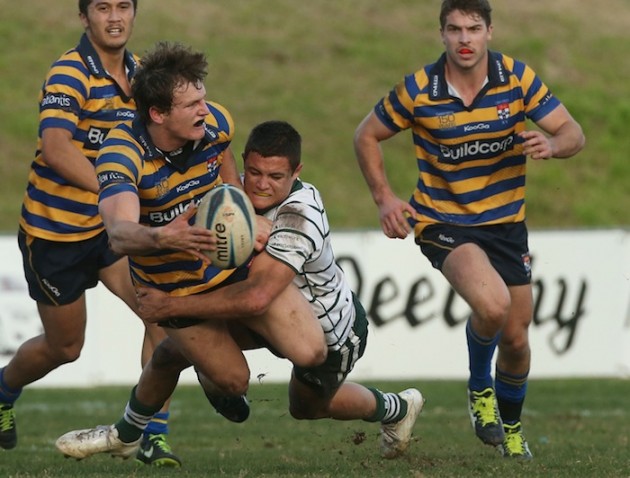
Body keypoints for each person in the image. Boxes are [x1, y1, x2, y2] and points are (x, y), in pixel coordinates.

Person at [55, 120, 424, 461]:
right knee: (171, 351)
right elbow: (217, 156)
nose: (262, 184)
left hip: (327, 330)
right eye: (256, 173)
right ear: (247, 162)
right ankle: (126, 433)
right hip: (265, 317)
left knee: (307, 407)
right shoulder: (233, 194)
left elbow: (257, 295)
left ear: (296, 172)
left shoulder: (299, 216)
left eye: (276, 176)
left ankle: (397, 407)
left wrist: (171, 304)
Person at [54, 45, 328, 462]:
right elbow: (120, 234)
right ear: (159, 114)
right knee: (234, 383)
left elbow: (225, 166)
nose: (205, 109)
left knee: (310, 351)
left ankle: (183, 352)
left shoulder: (215, 123)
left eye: (202, 97)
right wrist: (166, 238)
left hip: (230, 268)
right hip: (172, 288)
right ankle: (198, 357)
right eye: (192, 104)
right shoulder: (122, 154)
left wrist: (243, 214)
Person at [353, 0, 584, 460]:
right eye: (455, 29)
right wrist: (385, 198)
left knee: (517, 338)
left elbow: (572, 131)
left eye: (473, 29)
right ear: (441, 34)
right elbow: (366, 134)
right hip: (443, 221)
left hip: (505, 225)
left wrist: (554, 144)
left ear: (489, 33)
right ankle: (481, 389)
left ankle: (513, 432)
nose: (464, 38)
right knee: (493, 304)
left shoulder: (517, 79)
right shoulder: (420, 89)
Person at [0, 0, 182, 467]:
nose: (115, 17)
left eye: (124, 6)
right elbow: (56, 149)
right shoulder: (70, 72)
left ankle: (151, 434)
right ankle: (2, 391)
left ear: (135, 13)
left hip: (110, 230)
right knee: (65, 348)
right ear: (85, 17)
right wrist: (112, 188)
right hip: (54, 232)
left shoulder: (143, 76)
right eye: (103, 7)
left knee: (160, 313)